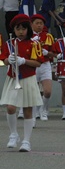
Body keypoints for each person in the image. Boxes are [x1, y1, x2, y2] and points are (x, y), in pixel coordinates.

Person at [0, 14, 43, 152]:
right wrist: (9, 60)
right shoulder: (9, 44)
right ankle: (13, 134)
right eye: (18, 29)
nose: (20, 31)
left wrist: (24, 61)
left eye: (23, 28)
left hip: (28, 78)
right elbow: (3, 59)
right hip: (13, 78)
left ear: (28, 29)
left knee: (27, 110)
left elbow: (38, 62)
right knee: (11, 107)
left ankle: (26, 141)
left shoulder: (34, 44)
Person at [31, 14, 55, 122]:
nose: (39, 25)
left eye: (41, 23)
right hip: (33, 65)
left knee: (47, 91)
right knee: (34, 91)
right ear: (32, 24)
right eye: (37, 23)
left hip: (45, 65)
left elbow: (54, 53)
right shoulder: (28, 36)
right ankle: (35, 110)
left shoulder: (48, 36)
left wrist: (47, 53)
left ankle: (43, 109)